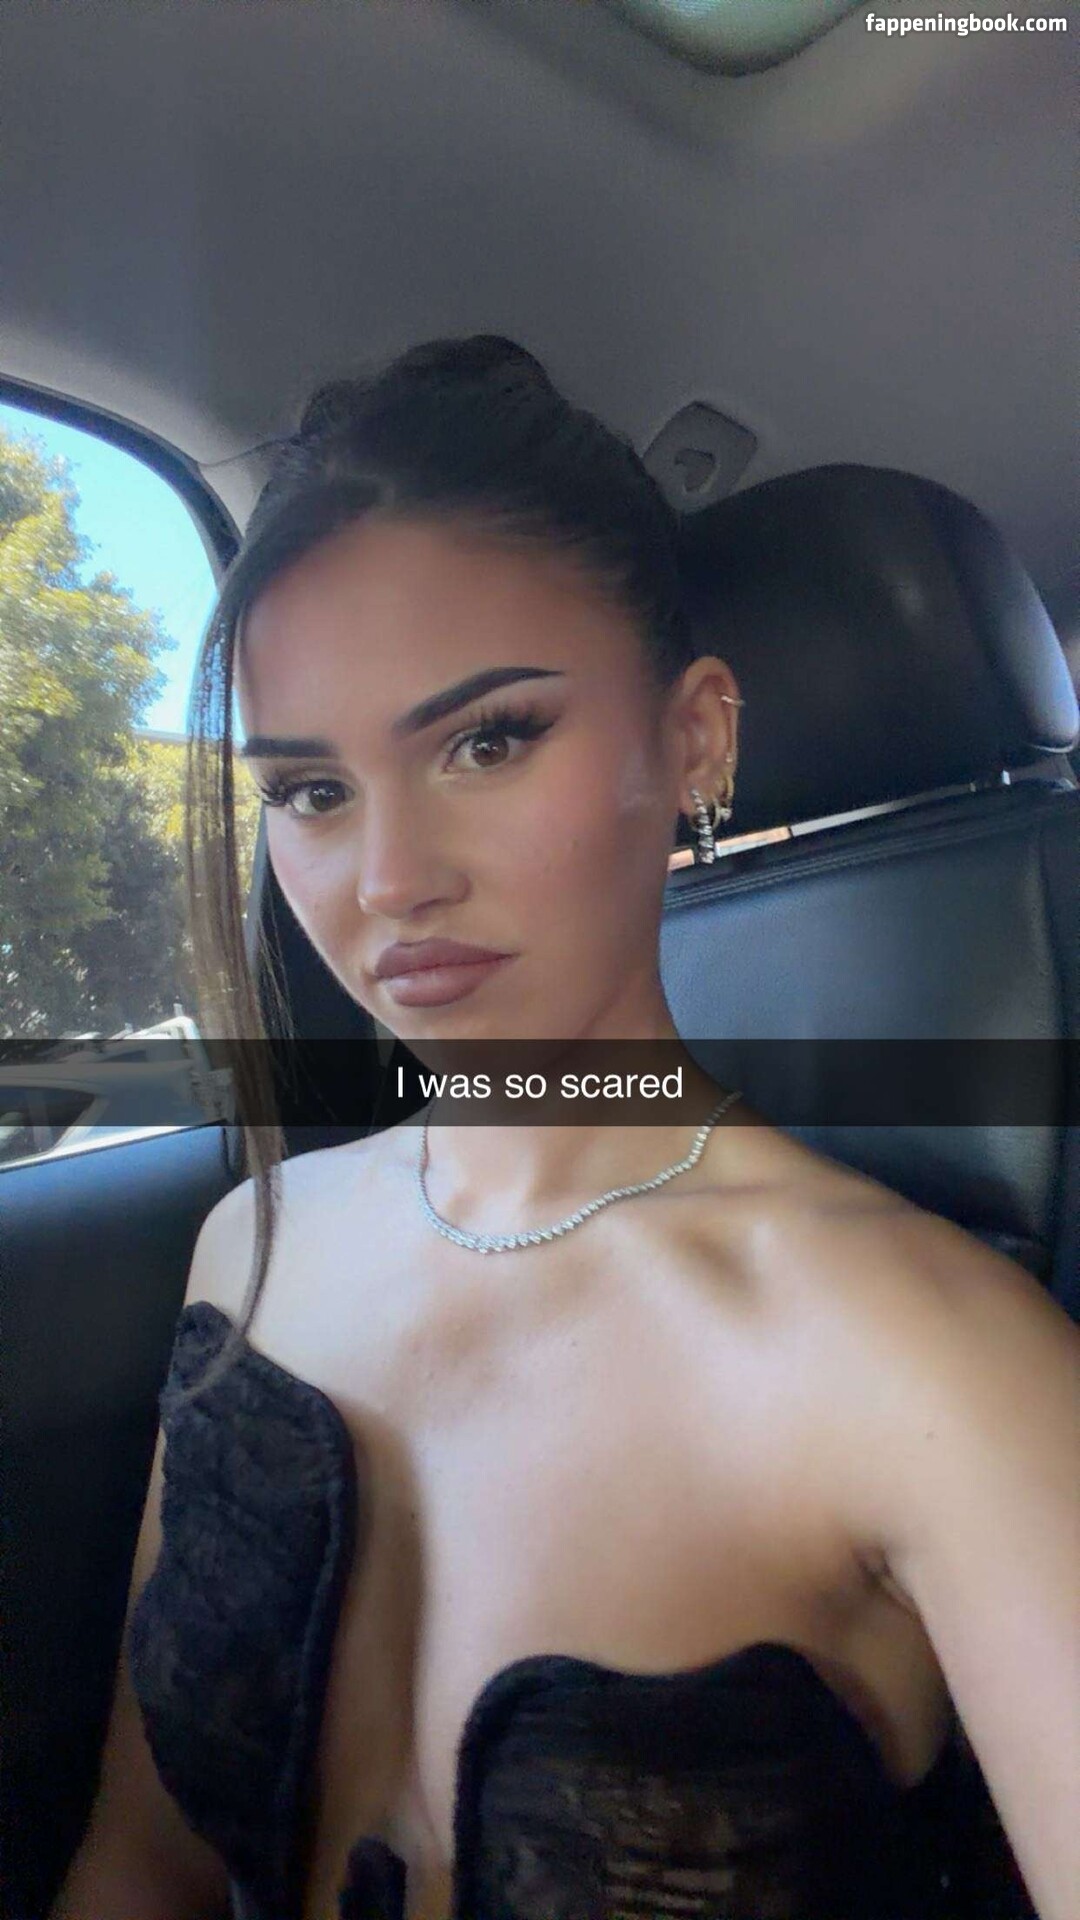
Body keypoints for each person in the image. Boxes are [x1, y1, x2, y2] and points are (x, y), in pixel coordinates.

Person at [51, 336, 1078, 1920]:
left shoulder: (934, 1360)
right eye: (312, 791)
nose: (390, 879)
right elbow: (143, 1867)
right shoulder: (251, 1243)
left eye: (489, 740)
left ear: (696, 739)